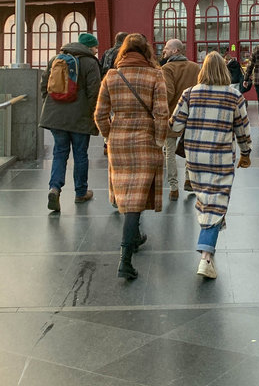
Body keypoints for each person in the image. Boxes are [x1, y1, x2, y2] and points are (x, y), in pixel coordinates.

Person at [169, 51, 251, 279]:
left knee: (206, 201)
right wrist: (246, 153)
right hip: (221, 158)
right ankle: (205, 256)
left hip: (195, 157)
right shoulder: (234, 96)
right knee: (216, 203)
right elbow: (243, 130)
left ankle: (208, 254)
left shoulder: (189, 94)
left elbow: (175, 126)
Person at [94, 33, 169, 280]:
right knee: (138, 193)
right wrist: (160, 139)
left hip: (119, 140)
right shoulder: (155, 75)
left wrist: (108, 135)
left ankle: (135, 237)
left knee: (127, 192)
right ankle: (125, 259)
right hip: (146, 139)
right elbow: (161, 113)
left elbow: (100, 114)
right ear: (146, 51)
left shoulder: (111, 76)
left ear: (123, 51)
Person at [40, 32, 101, 212]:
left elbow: (45, 85)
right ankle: (80, 193)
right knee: (80, 154)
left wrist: (51, 104)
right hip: (80, 117)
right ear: (89, 47)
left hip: (56, 116)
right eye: (96, 48)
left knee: (59, 152)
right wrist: (92, 113)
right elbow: (94, 92)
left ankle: (54, 188)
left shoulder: (55, 59)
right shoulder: (90, 63)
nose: (97, 51)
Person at [162, 39, 201, 200]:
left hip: (172, 114)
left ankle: (173, 187)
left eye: (166, 48)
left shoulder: (167, 68)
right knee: (190, 149)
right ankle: (189, 181)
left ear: (175, 51)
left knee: (170, 152)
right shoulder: (195, 67)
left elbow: (168, 92)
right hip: (192, 114)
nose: (163, 51)